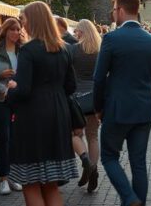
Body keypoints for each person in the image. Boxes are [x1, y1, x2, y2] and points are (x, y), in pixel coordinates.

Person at [93, 0, 151, 206]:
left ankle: (129, 197)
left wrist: (98, 107)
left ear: (121, 10)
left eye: (114, 9)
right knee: (139, 163)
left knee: (108, 156)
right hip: (143, 110)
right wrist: (145, 96)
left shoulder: (111, 38)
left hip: (116, 109)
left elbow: (99, 78)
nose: (113, 13)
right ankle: (137, 202)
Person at [7, 2, 79, 206]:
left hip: (33, 118)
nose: (22, 26)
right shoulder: (63, 49)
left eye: (23, 20)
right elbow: (71, 86)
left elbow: (23, 90)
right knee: (51, 185)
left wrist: (11, 89)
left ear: (33, 21)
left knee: (31, 182)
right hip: (58, 114)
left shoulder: (29, 50)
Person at [0, 17, 24, 195]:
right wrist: (3, 85)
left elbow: (26, 76)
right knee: (3, 138)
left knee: (16, 139)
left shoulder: (23, 51)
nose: (16, 33)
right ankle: (3, 178)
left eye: (18, 29)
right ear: (5, 31)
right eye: (12, 29)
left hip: (18, 101)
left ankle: (14, 176)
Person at [69, 18, 102, 193]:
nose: (75, 34)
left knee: (75, 134)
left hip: (77, 98)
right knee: (93, 136)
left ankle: (87, 166)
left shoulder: (74, 50)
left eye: (77, 31)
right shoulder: (100, 49)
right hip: (95, 98)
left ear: (82, 31)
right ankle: (93, 169)